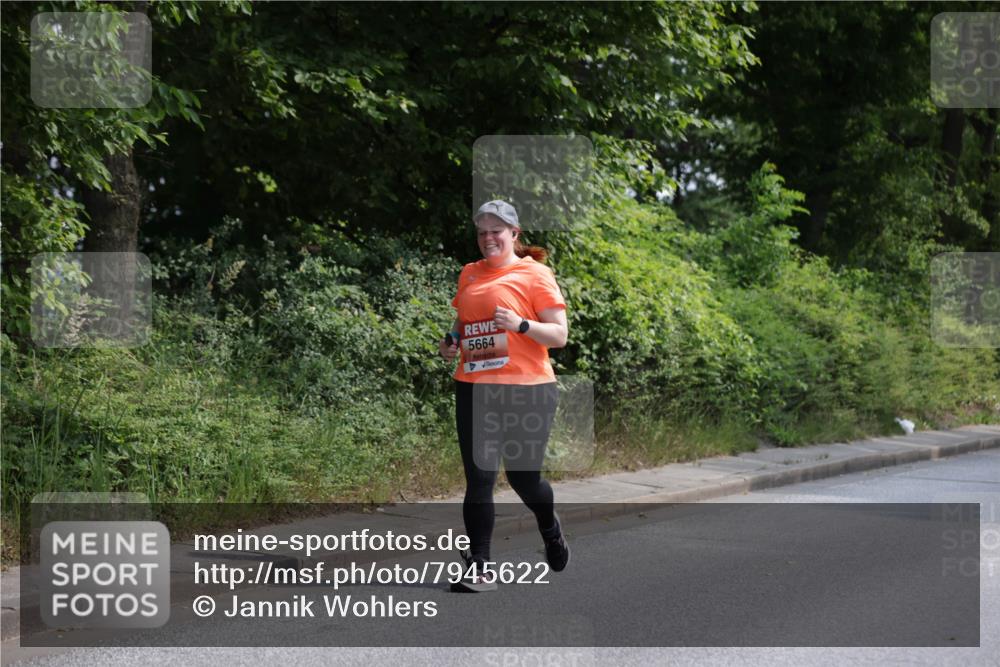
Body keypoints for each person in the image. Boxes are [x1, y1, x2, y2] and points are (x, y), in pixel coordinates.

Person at [439, 199, 570, 593]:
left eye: (496, 231)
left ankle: (549, 527)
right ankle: (480, 567)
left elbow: (559, 335)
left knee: (523, 479)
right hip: (475, 387)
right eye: (482, 232)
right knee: (479, 477)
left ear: (514, 234)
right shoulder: (469, 274)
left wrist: (521, 324)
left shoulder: (535, 274)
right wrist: (451, 342)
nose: (487, 238)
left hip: (527, 390)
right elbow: (462, 323)